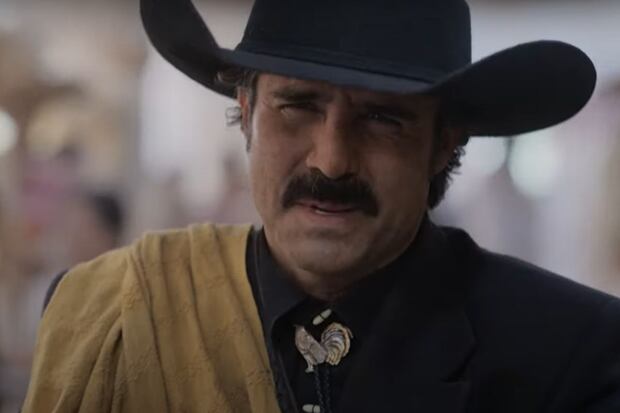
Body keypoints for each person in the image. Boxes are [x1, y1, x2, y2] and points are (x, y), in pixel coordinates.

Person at [22, 0, 620, 412]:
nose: (332, 162)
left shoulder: (573, 354)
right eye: (299, 106)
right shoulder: (117, 317)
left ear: (443, 143)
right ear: (246, 114)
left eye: (382, 118)